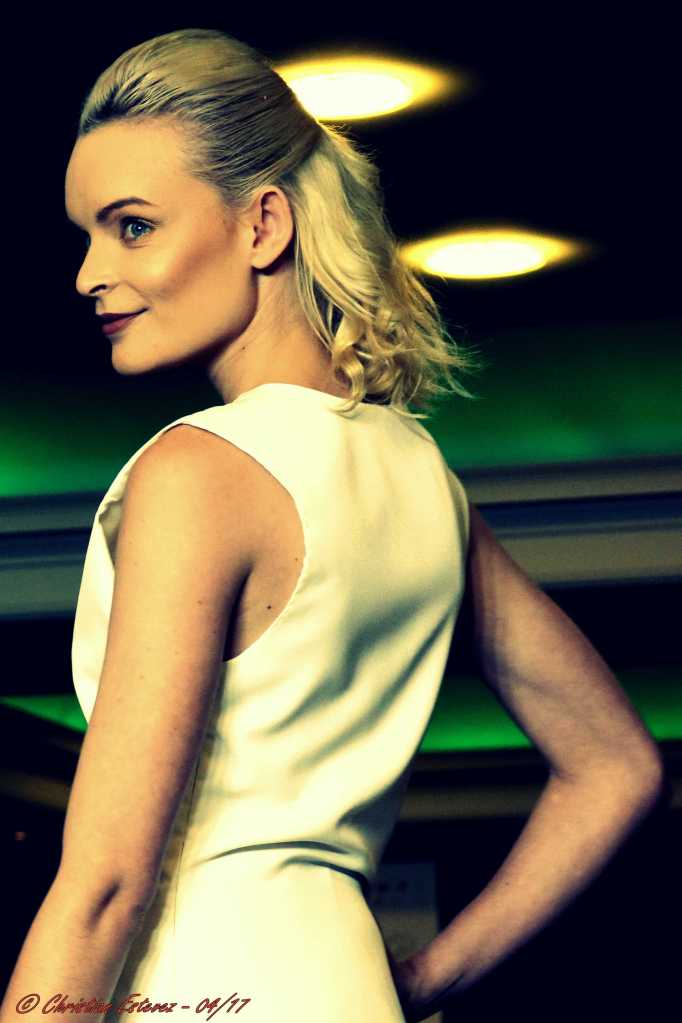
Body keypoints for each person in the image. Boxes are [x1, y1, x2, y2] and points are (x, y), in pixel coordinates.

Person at [0, 27, 664, 1023]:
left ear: (262, 225)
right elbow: (619, 764)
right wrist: (423, 981)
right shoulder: (420, 476)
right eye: (86, 234)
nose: (88, 273)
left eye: (131, 226)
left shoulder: (197, 471)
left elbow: (105, 886)